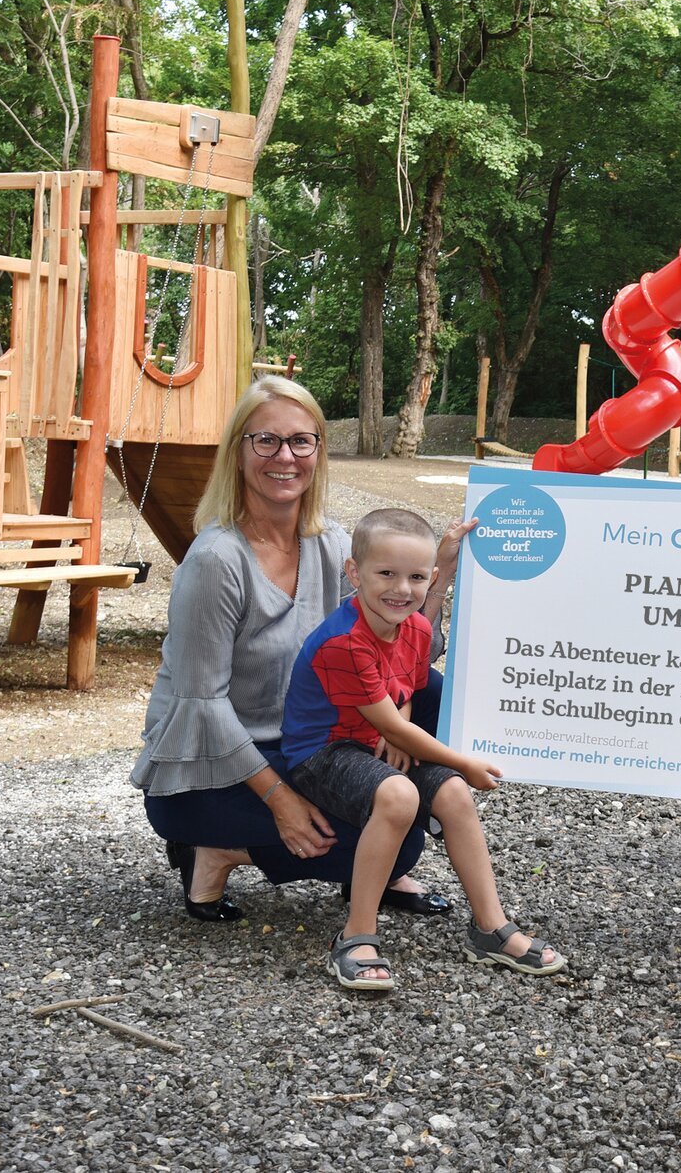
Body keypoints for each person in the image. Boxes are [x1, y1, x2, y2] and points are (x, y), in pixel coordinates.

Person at [129, 375, 473, 921]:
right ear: (238, 452)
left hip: (306, 747)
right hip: (215, 766)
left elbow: (398, 651)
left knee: (430, 693)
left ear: (318, 450)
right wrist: (280, 801)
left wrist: (442, 577)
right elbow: (204, 707)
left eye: (300, 441)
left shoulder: (333, 545)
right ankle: (215, 851)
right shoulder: (216, 560)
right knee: (394, 836)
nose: (284, 456)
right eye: (265, 440)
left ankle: (379, 857)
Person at [282, 507, 567, 990]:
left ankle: (490, 927)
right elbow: (387, 718)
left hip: (377, 738)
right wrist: (456, 757)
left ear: (432, 578)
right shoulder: (345, 641)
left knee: (454, 794)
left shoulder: (415, 628)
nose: (401, 589)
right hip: (322, 752)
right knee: (400, 795)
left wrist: (402, 730)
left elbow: (408, 687)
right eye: (386, 574)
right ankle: (356, 935)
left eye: (416, 577)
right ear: (354, 572)